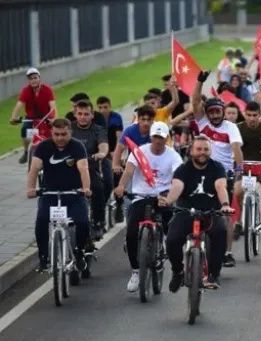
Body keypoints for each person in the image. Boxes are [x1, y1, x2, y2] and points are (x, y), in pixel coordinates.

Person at [114, 122, 182, 292]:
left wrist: (171, 196)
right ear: (150, 137)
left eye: (161, 137)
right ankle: (136, 272)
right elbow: (129, 171)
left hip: (163, 196)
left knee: (171, 228)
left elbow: (178, 178)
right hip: (141, 196)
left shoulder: (173, 156)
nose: (158, 141)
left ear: (167, 138)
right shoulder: (140, 152)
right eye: (155, 137)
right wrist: (122, 186)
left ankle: (164, 244)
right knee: (131, 234)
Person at [161, 136, 234, 291]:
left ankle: (214, 274)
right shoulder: (183, 169)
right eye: (199, 149)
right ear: (191, 151)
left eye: (206, 149)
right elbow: (177, 187)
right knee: (172, 240)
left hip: (211, 212)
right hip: (186, 212)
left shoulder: (217, 167)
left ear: (210, 151)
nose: (202, 153)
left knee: (221, 232)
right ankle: (178, 271)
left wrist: (225, 205)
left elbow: (221, 187)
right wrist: (168, 201)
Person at [192, 70, 244, 268]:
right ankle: (196, 241)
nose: (214, 115)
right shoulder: (202, 123)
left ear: (223, 112)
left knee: (224, 215)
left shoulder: (231, 128)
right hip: (201, 174)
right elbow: (195, 101)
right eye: (211, 111)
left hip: (225, 175)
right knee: (196, 210)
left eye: (217, 112)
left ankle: (227, 252)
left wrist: (238, 170)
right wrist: (199, 81)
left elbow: (236, 149)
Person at [26, 119, 91, 271]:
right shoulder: (43, 147)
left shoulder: (77, 146)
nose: (60, 138)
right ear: (51, 133)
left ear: (70, 132)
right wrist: (30, 189)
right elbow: (34, 169)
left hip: (73, 194)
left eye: (64, 134)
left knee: (82, 222)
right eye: (56, 134)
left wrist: (86, 188)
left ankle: (80, 252)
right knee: (41, 221)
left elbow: (83, 168)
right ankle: (43, 258)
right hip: (50, 194)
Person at [234, 101, 261, 239]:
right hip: (242, 165)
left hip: (260, 164)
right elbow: (234, 148)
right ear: (245, 114)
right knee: (237, 191)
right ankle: (239, 221)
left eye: (254, 115)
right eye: (249, 115)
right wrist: (238, 167)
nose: (251, 118)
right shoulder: (238, 128)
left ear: (259, 115)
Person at [70, 100, 109, 240]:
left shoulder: (98, 129)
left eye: (86, 114)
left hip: (90, 168)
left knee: (98, 189)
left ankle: (98, 222)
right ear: (75, 114)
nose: (83, 117)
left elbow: (103, 145)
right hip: (70, 169)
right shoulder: (69, 129)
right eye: (79, 114)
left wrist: (102, 153)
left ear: (92, 115)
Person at [10, 68, 57, 164]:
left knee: (52, 134)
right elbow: (19, 104)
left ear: (39, 78)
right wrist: (13, 117)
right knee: (25, 131)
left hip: (45, 117)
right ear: (28, 81)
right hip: (30, 118)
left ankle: (55, 153)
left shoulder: (47, 89)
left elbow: (52, 106)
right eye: (30, 78)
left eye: (35, 77)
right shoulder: (26, 90)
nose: (33, 80)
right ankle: (26, 151)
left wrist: (53, 118)